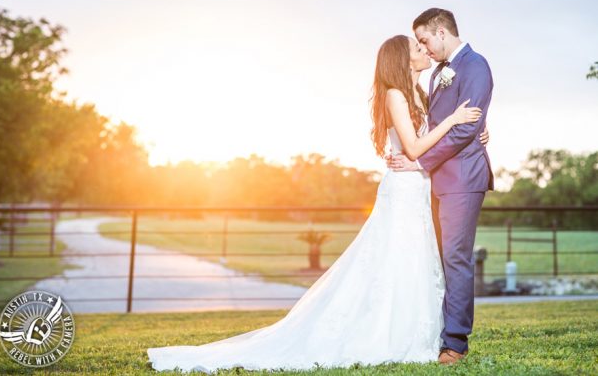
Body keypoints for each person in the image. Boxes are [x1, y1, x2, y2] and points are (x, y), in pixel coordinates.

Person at [146, 32, 486, 373]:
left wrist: (474, 134)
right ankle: (382, 332)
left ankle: (416, 329)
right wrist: (455, 121)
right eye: (416, 47)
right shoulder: (396, 95)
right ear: (402, 60)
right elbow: (413, 148)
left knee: (413, 259)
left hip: (418, 188)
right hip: (403, 189)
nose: (423, 50)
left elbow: (434, 137)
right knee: (394, 258)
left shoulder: (419, 92)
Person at [387, 7, 494, 365]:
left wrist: (419, 161)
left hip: (462, 179)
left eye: (424, 40)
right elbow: (440, 124)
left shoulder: (475, 66)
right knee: (438, 261)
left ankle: (455, 344)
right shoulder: (437, 75)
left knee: (456, 259)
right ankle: (437, 332)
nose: (424, 48)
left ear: (441, 32)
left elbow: (465, 128)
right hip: (434, 182)